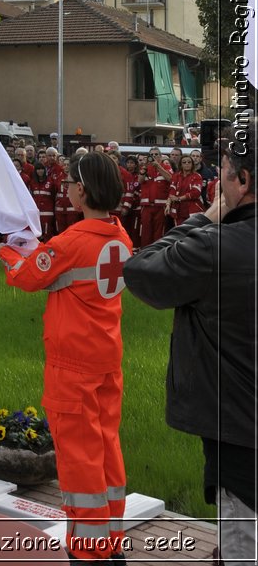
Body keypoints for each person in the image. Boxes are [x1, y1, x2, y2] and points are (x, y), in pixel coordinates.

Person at [123, 127, 256, 566]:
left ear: (244, 183)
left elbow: (142, 271)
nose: (217, 180)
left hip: (240, 436)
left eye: (223, 172)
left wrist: (205, 218)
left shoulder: (214, 247)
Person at [0, 151, 132, 563]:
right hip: (106, 360)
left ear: (82, 190)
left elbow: (28, 275)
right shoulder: (119, 235)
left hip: (72, 368)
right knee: (107, 452)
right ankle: (111, 544)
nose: (67, 186)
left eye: (71, 181)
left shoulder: (71, 242)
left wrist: (4, 251)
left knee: (79, 462)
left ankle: (87, 553)